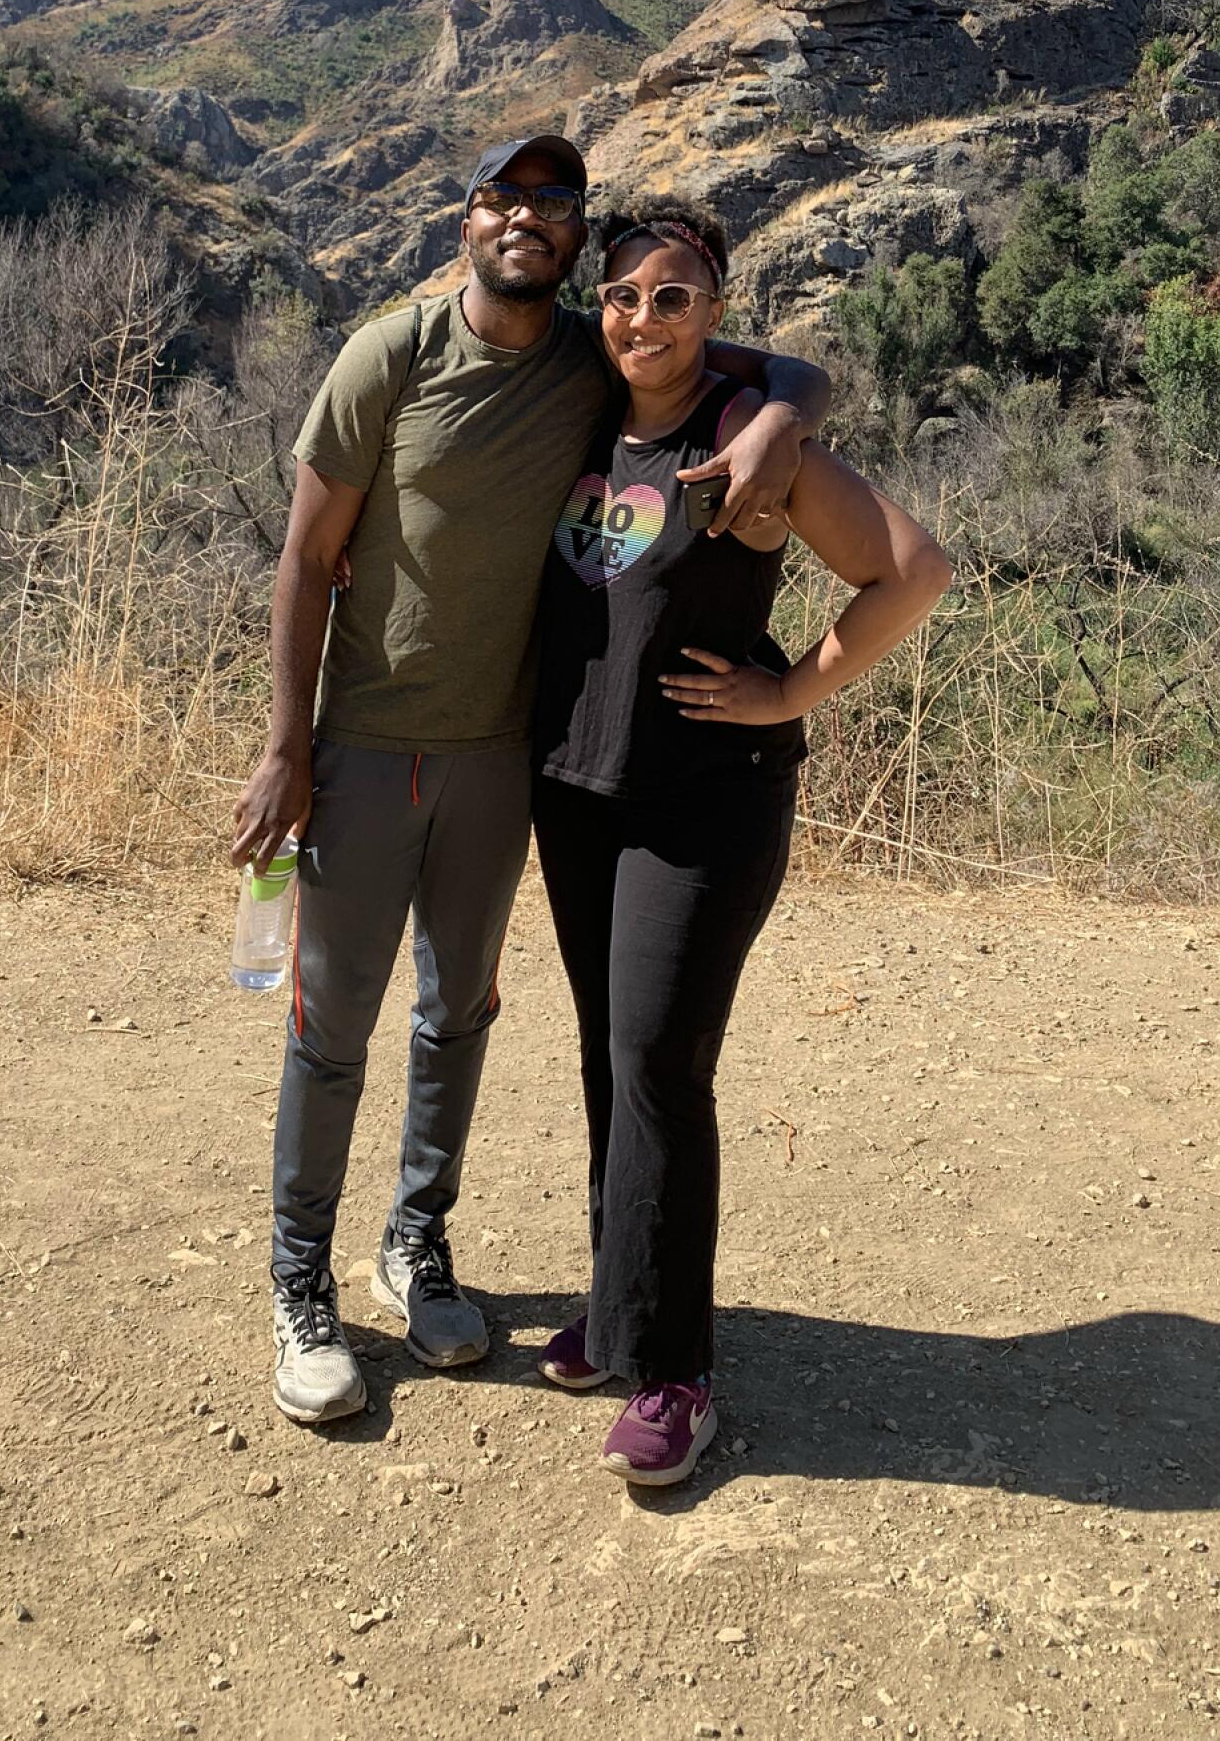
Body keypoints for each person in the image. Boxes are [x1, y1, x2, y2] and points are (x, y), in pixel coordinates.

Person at [229, 137, 832, 1426]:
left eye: (551, 205)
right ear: (467, 218)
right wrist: (287, 746)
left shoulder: (584, 353)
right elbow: (300, 559)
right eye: (503, 197)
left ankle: (414, 1247)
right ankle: (298, 1288)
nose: (524, 220)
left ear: (571, 239)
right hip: (367, 747)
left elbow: (762, 364)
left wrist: (784, 406)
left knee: (459, 1016)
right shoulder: (387, 355)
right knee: (331, 1026)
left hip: (508, 758)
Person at [531, 205, 953, 1487]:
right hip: (579, 790)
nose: (642, 320)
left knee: (661, 1059)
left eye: (673, 297)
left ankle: (675, 1371)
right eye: (622, 296)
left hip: (703, 799)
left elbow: (911, 571)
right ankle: (617, 1317)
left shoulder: (743, 444)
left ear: (714, 310)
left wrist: (787, 692)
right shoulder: (580, 416)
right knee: (617, 1057)